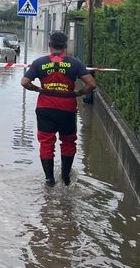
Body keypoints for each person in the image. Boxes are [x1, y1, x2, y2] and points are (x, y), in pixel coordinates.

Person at [21, 31, 97, 186]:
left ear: (49, 45)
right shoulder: (75, 63)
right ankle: (66, 178)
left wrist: (38, 89)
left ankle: (49, 180)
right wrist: (79, 93)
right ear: (65, 46)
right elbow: (92, 84)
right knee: (68, 142)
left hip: (45, 108)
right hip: (67, 108)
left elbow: (24, 82)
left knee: (46, 143)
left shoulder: (39, 63)